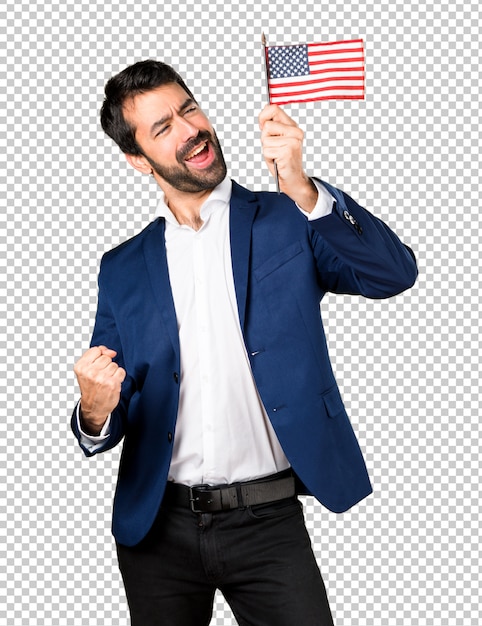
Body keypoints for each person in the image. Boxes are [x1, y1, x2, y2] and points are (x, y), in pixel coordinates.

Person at [72, 59, 417, 626]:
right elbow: (109, 400)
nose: (190, 130)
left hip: (268, 523)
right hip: (157, 530)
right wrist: (94, 408)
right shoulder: (122, 267)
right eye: (163, 128)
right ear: (137, 159)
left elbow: (392, 274)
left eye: (189, 109)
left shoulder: (287, 217)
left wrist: (302, 186)